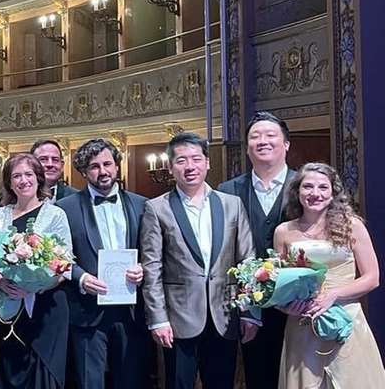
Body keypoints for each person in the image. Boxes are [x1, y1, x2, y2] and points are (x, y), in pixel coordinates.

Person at [139, 132, 258, 389]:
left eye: (196, 159)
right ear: (170, 168)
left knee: (222, 383)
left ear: (208, 162)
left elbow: (248, 261)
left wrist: (251, 313)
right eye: (181, 161)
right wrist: (158, 318)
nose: (189, 166)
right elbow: (152, 268)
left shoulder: (232, 205)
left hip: (225, 315)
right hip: (178, 319)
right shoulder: (157, 208)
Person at [274, 162, 385, 387]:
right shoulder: (284, 231)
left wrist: (333, 295)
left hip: (346, 322)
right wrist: (285, 306)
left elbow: (372, 278)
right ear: (297, 191)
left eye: (323, 187)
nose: (315, 193)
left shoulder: (351, 226)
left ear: (333, 192)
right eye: (308, 187)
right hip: (303, 324)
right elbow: (280, 284)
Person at [55, 138, 149, 388]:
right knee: (89, 383)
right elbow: (58, 256)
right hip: (87, 310)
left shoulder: (142, 205)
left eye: (107, 163)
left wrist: (143, 269)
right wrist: (81, 277)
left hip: (132, 310)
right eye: (94, 166)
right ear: (84, 172)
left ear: (117, 166)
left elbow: (153, 253)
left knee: (131, 381)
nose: (103, 171)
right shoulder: (64, 208)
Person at [218, 111, 296, 389]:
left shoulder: (306, 187)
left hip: (299, 305)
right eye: (255, 136)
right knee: (257, 376)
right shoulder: (227, 192)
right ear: (247, 147)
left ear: (286, 144)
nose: (263, 141)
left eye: (270, 135)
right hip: (249, 306)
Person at [0, 153, 72, 389]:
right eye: (16, 176)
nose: (23, 180)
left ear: (38, 178)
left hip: (47, 306)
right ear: (9, 182)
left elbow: (65, 265)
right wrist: (2, 282)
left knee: (44, 373)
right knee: (12, 367)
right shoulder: (1, 214)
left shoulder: (55, 214)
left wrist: (36, 285)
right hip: (10, 304)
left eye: (28, 174)